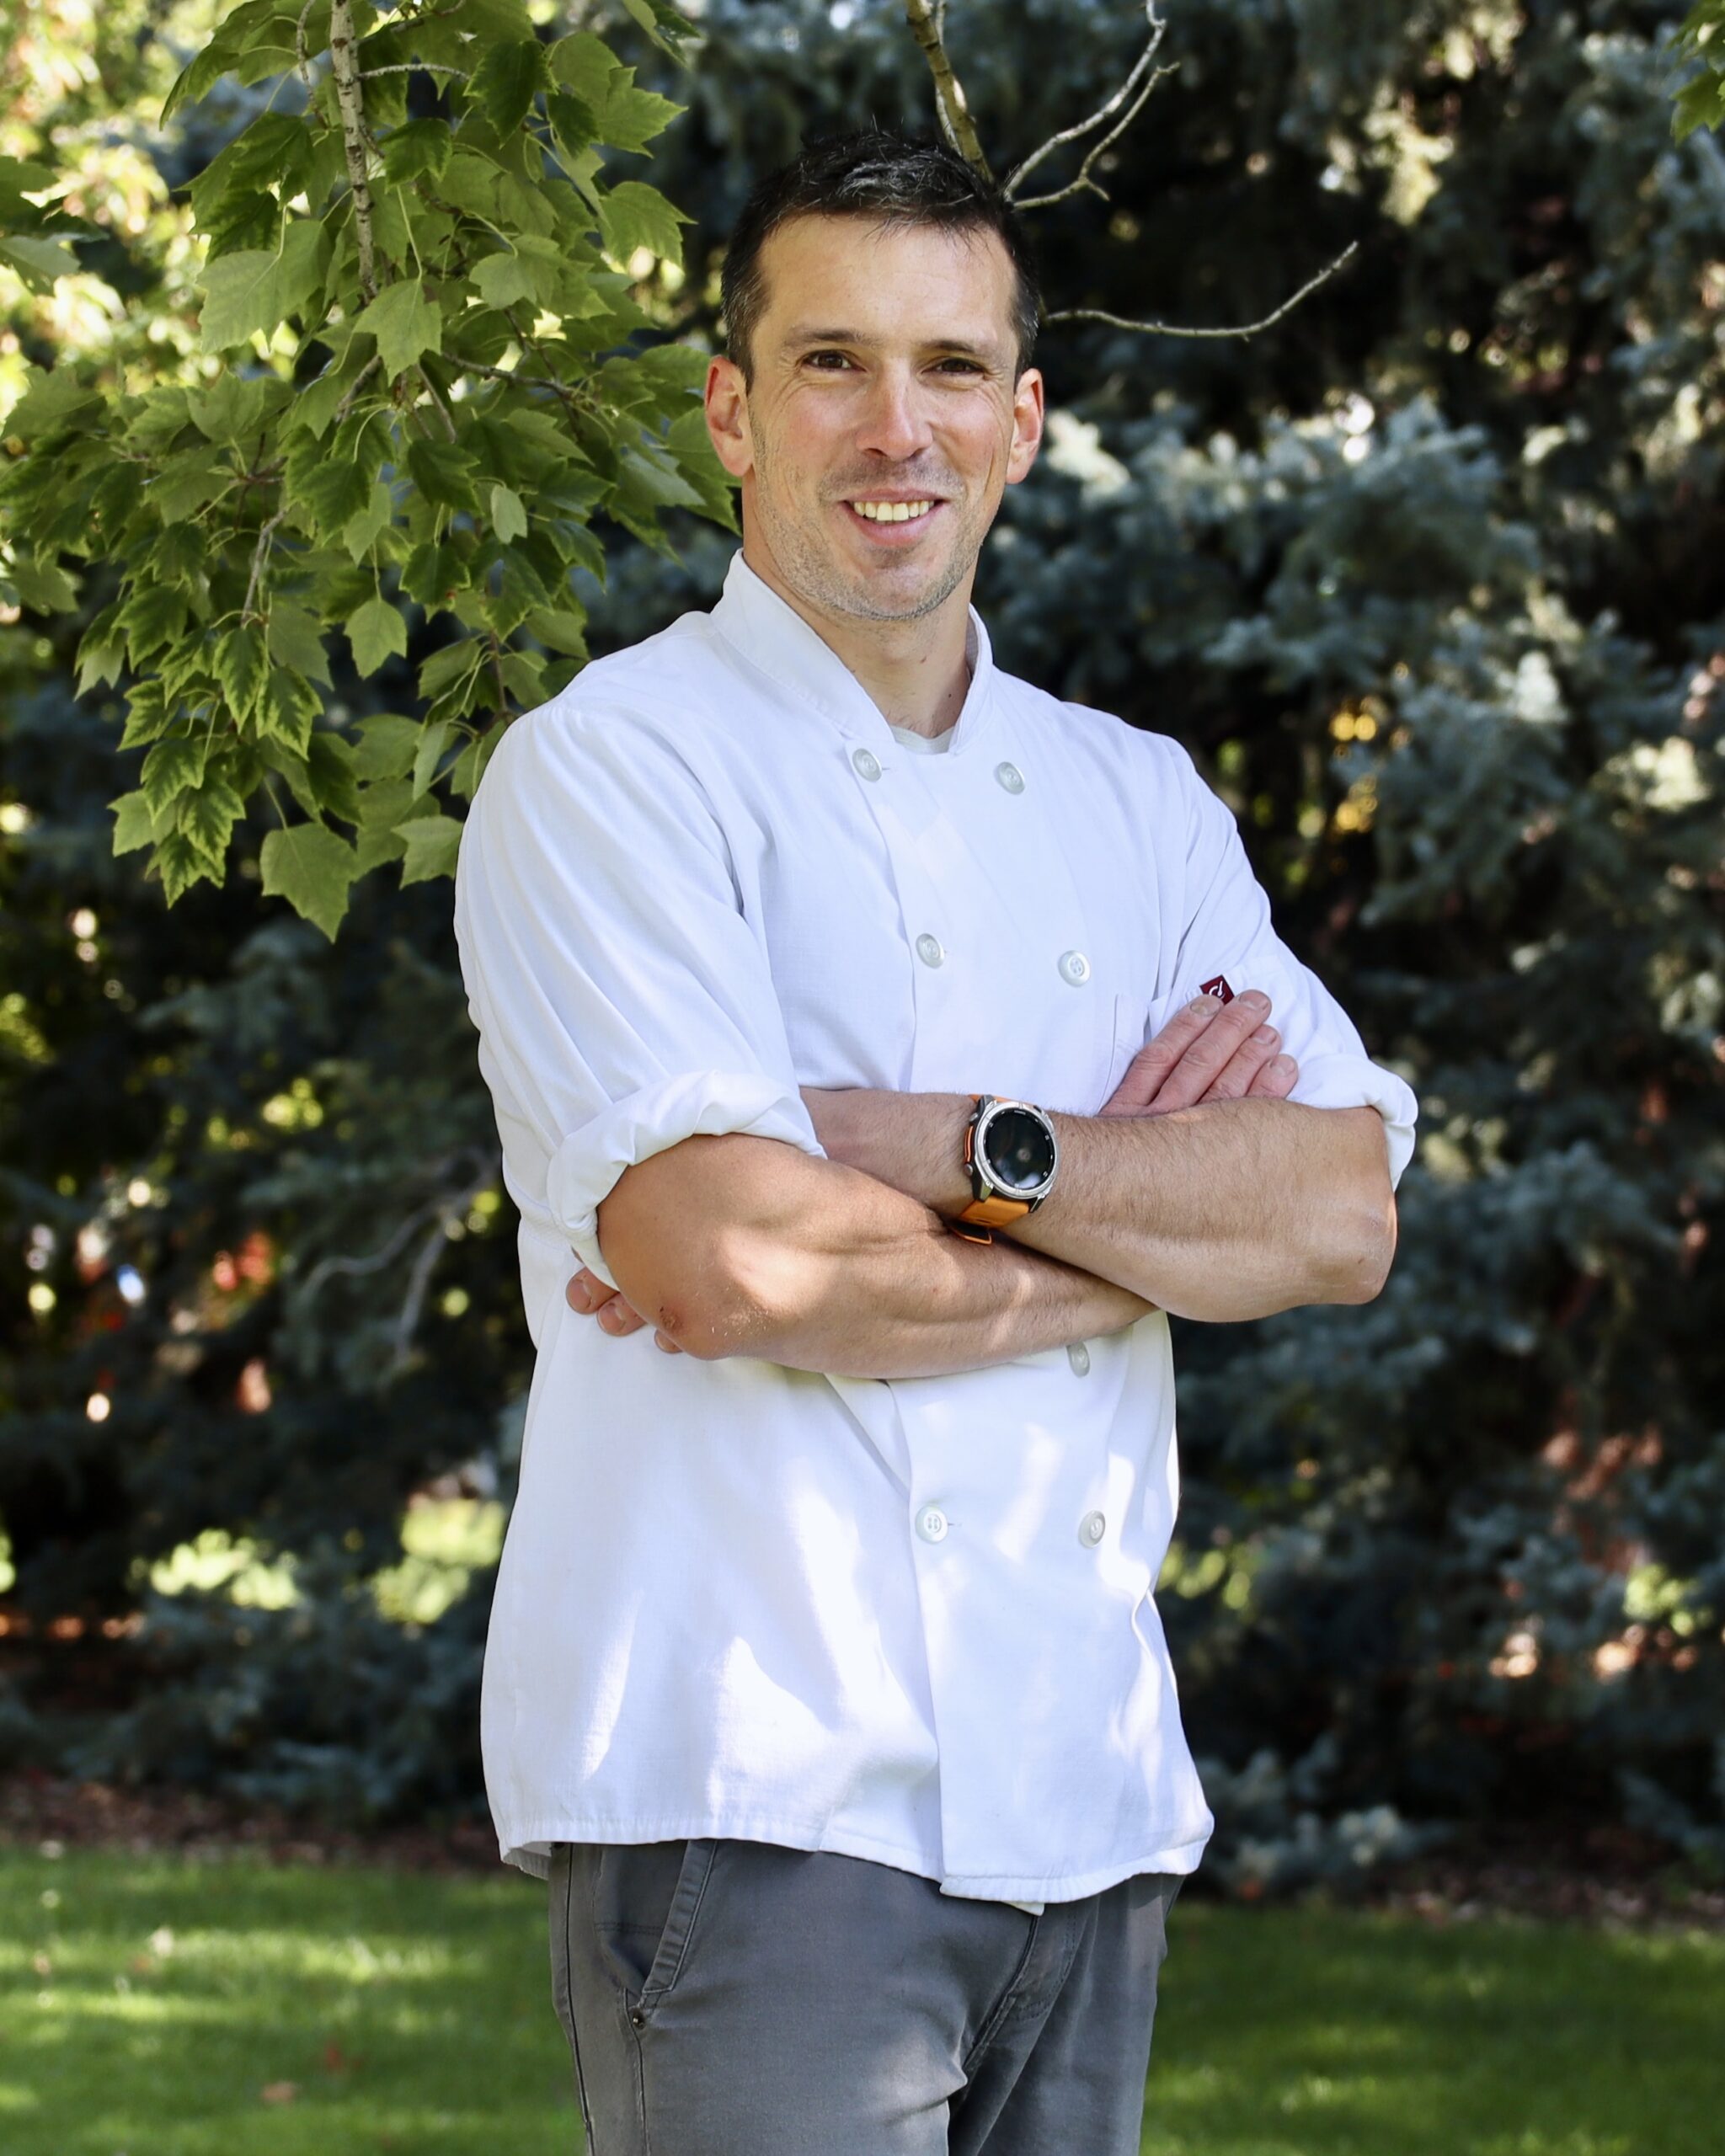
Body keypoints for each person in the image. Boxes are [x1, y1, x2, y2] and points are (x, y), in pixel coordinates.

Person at [452, 127, 1417, 2156]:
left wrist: (926, 1145)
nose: (898, 428)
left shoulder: (1135, 800)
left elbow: (1337, 1207)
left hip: (1086, 1792)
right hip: (756, 1790)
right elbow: (731, 1259)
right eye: (832, 361)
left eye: (952, 366)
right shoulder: (610, 769)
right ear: (732, 410)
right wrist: (1138, 1239)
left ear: (1022, 418)